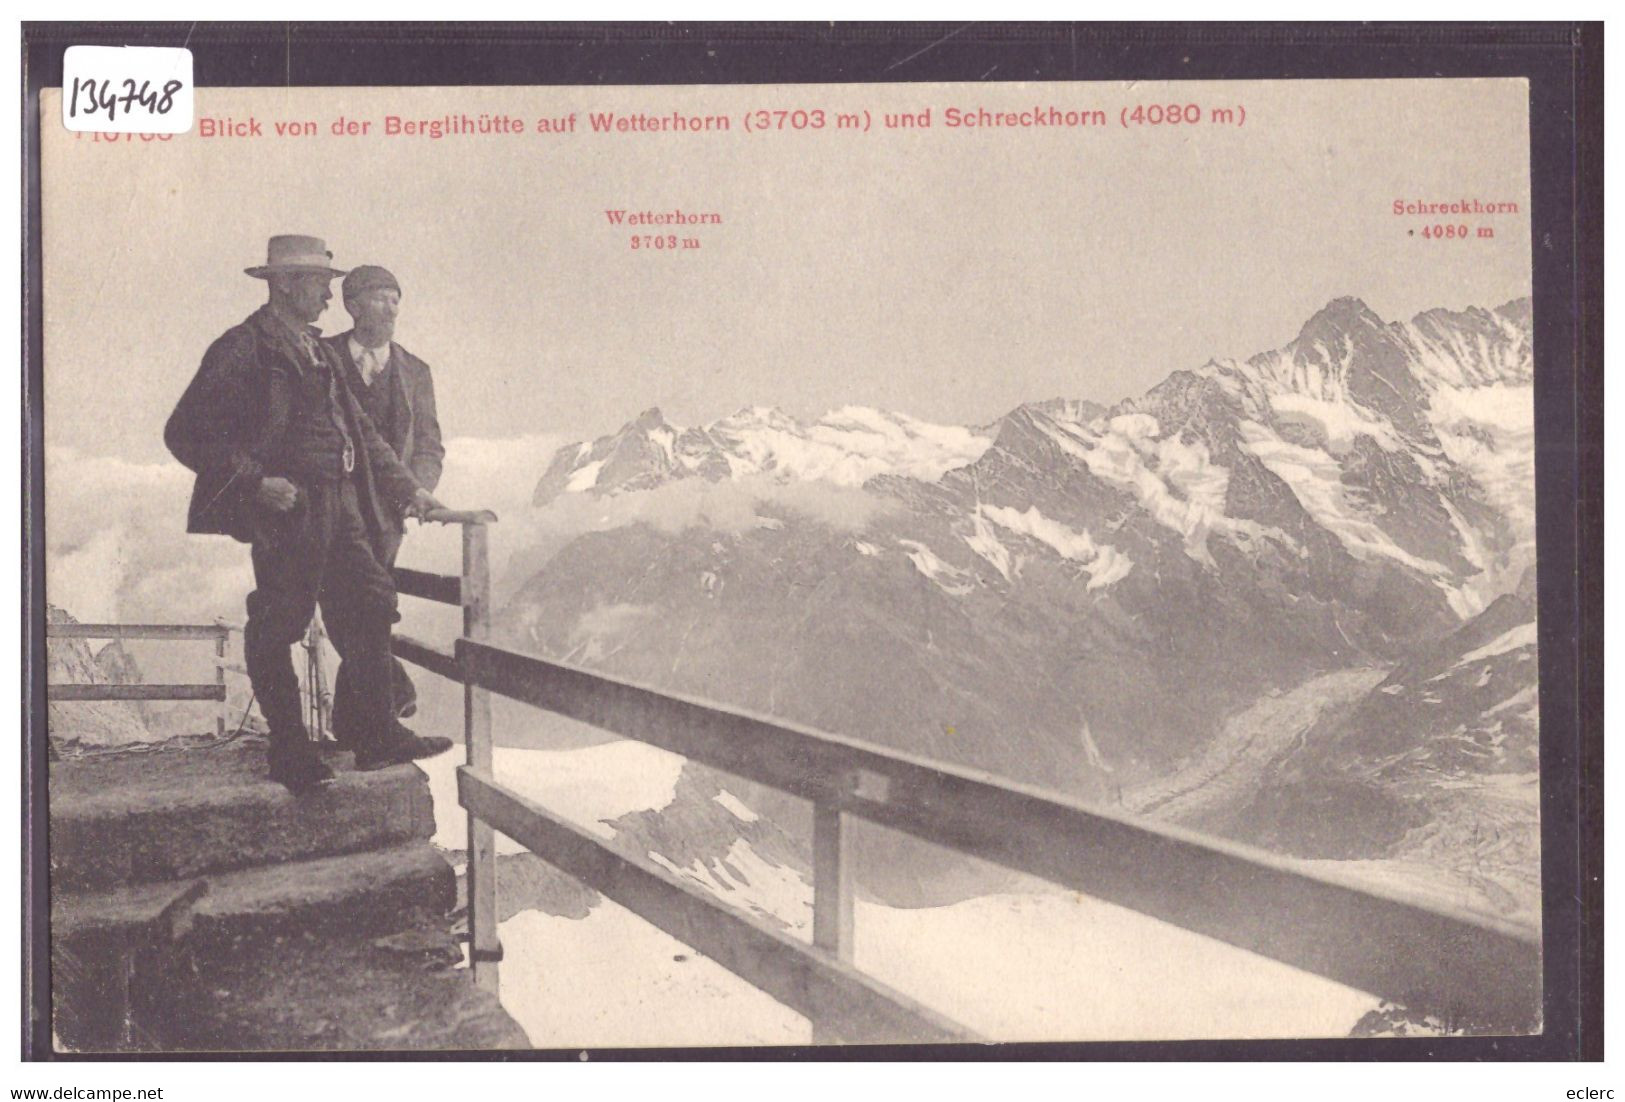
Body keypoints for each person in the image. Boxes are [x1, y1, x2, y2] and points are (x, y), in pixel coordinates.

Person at [163, 235, 453, 791]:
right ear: (287, 284)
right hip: (289, 509)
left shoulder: (315, 348)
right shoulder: (244, 347)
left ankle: (375, 735)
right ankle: (290, 750)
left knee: (371, 600)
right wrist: (255, 483)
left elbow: (363, 437)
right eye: (320, 283)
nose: (328, 295)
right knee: (280, 622)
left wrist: (413, 491)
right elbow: (183, 433)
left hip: (339, 504)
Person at [322, 265, 443, 742]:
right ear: (352, 306)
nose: (391, 308)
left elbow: (430, 444)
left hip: (387, 516)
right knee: (344, 610)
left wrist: (419, 490)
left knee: (360, 613)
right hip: (329, 508)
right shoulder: (323, 356)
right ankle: (391, 688)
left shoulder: (415, 371)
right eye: (379, 298)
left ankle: (355, 728)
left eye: (396, 298)